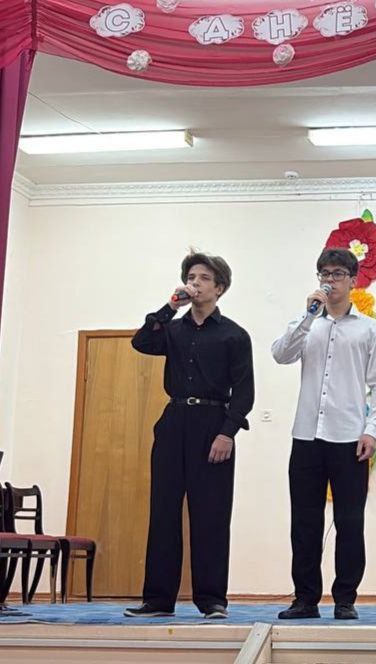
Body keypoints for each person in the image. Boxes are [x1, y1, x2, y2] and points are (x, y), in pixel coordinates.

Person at [127, 250, 254, 619]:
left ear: (220, 288)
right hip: (174, 421)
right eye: (191, 277)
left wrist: (228, 433)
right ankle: (158, 599)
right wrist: (169, 307)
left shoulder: (234, 335)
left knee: (211, 513)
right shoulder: (172, 330)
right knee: (163, 511)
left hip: (213, 424)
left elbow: (244, 391)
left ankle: (212, 599)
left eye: (203, 278)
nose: (195, 283)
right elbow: (141, 342)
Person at [272, 248, 376, 620]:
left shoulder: (371, 329)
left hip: (350, 438)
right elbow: (280, 354)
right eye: (324, 273)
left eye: (338, 274)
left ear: (353, 280)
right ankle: (305, 599)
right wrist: (308, 316)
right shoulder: (308, 323)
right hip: (307, 436)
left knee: (350, 521)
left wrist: (372, 430)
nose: (330, 280)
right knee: (304, 522)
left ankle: (345, 599)